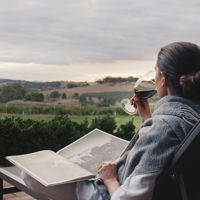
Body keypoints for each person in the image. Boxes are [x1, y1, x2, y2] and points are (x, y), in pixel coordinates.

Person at [22, 41, 200, 200]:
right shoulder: (190, 119)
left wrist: (109, 178)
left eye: (154, 74)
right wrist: (148, 118)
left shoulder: (163, 127)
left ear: (163, 79)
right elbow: (165, 145)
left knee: (28, 174)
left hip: (108, 191)